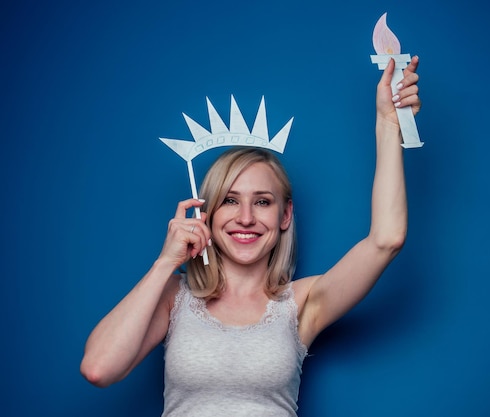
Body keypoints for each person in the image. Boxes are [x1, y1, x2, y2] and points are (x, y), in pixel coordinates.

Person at [80, 56, 421, 416]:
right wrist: (165, 263)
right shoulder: (172, 297)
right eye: (230, 200)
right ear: (206, 214)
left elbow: (387, 239)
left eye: (262, 201)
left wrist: (387, 123)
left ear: (284, 215)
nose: (246, 218)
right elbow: (99, 368)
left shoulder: (303, 302)